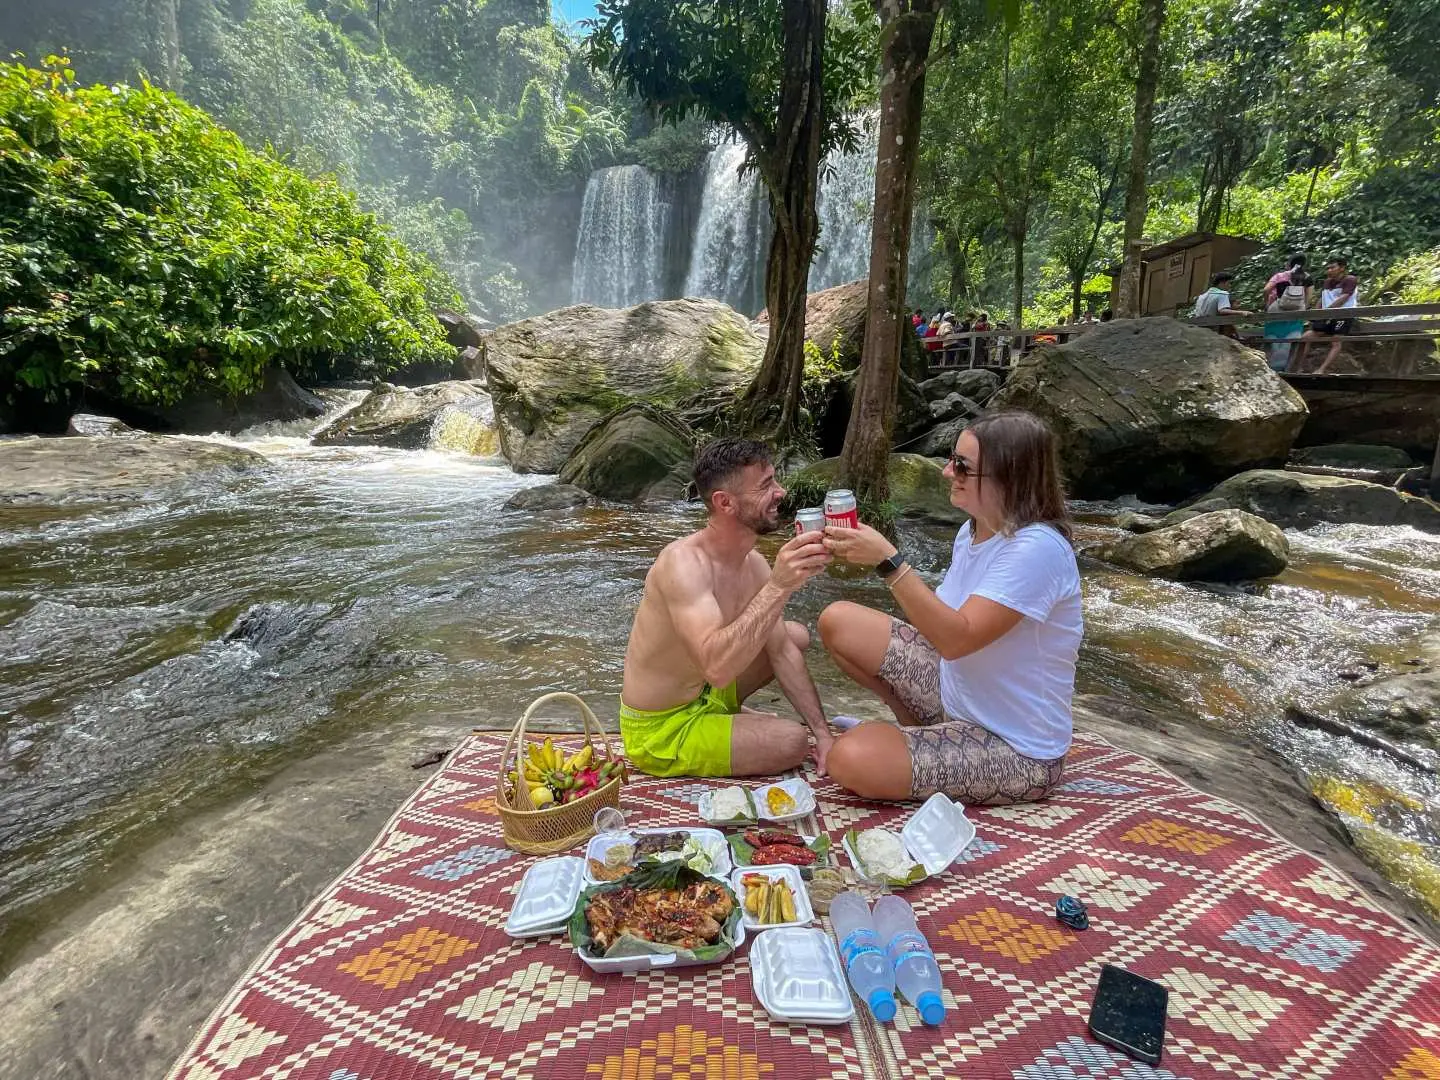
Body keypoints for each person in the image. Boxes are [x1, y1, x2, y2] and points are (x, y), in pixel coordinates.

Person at [816, 410, 1081, 805]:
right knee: (838, 620)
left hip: (1016, 748)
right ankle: (915, 737)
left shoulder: (1037, 549)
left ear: (1008, 477)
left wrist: (889, 561)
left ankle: (908, 752)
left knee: (849, 758)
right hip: (956, 698)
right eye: (952, 459)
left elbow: (957, 640)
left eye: (962, 467)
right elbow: (937, 631)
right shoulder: (971, 530)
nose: (946, 472)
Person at [619, 438, 834, 778]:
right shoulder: (684, 564)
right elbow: (717, 669)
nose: (780, 492)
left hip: (707, 693)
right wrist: (779, 586)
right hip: (664, 728)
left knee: (793, 636)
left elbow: (780, 651)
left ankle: (727, 716)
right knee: (792, 742)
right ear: (725, 503)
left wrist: (823, 734)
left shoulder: (754, 564)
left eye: (774, 480)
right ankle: (716, 727)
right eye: (765, 486)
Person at [1294, 257, 1360, 374]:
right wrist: (1316, 313)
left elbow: (1344, 298)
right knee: (1305, 338)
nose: (1329, 270)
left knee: (1336, 341)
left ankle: (1321, 369)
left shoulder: (1350, 279)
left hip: (1343, 316)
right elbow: (1322, 298)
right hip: (1326, 316)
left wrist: (1327, 312)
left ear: (1342, 268)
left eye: (1332, 267)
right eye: (1328, 268)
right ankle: (1297, 367)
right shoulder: (1327, 282)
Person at [1266, 269, 1311, 372]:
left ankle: (1272, 370)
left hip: (1275, 319)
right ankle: (1286, 370)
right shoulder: (1301, 298)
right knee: (1291, 347)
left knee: (1273, 345)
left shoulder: (1280, 286)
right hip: (1294, 326)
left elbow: (1267, 291)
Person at [1192, 271, 1252, 337]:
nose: (1230, 286)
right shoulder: (1222, 294)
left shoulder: (1202, 296)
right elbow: (1222, 310)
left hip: (1199, 327)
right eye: (1229, 283)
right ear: (1222, 283)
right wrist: (1242, 312)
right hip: (1213, 327)